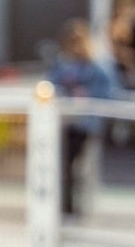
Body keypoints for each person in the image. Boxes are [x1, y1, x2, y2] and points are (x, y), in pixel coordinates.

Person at [47, 18, 118, 216]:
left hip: (85, 122)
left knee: (79, 165)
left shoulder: (96, 66)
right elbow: (50, 86)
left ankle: (75, 204)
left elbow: (108, 92)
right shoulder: (62, 64)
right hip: (64, 121)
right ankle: (64, 203)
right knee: (64, 164)